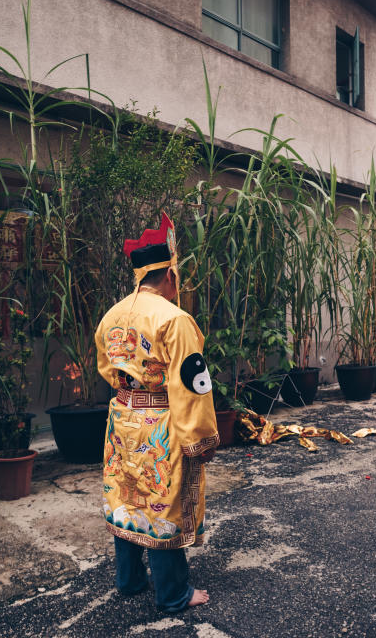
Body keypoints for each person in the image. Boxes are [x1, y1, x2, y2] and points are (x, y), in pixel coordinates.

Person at [95, 213, 219, 612]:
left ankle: (129, 580)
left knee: (126, 497)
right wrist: (200, 436)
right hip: (160, 421)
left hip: (122, 420)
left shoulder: (112, 315)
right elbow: (190, 383)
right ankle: (173, 593)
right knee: (162, 501)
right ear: (170, 274)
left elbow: (104, 368)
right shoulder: (174, 318)